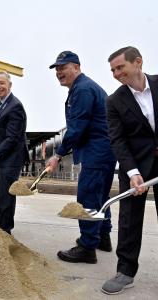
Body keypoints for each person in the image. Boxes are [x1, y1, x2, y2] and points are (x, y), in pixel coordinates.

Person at [46, 51, 116, 263]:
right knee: (100, 197)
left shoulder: (83, 89)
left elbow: (76, 128)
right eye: (56, 69)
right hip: (104, 150)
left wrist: (57, 154)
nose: (59, 72)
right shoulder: (84, 87)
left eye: (63, 67)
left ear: (76, 67)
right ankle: (102, 237)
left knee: (87, 198)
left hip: (97, 150)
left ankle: (87, 247)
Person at [102, 46, 158, 295]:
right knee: (129, 220)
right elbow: (118, 139)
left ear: (138, 62)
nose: (116, 73)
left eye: (120, 67)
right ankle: (125, 270)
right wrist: (132, 172)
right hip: (135, 165)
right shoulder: (114, 101)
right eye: (113, 70)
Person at [0, 72, 28, 234]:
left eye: (2, 83)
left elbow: (13, 138)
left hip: (10, 158)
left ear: (10, 85)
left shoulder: (15, 106)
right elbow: (1, 133)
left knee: (6, 195)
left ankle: (5, 230)